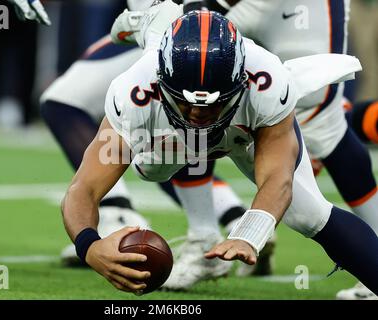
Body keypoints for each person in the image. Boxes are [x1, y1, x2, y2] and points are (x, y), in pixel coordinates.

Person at [62, 10, 378, 296]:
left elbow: (277, 179)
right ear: (161, 83)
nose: (199, 113)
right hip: (168, 136)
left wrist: (250, 233)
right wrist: (89, 246)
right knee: (150, 167)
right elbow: (83, 190)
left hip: (245, 129)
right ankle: (145, 21)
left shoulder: (266, 80)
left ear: (240, 80)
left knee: (309, 214)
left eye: (213, 103)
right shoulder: (133, 93)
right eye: (186, 103)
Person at [40, 0, 255, 278]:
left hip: (185, 36)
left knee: (174, 123)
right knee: (168, 133)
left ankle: (119, 213)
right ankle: (234, 217)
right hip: (169, 28)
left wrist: (203, 15)